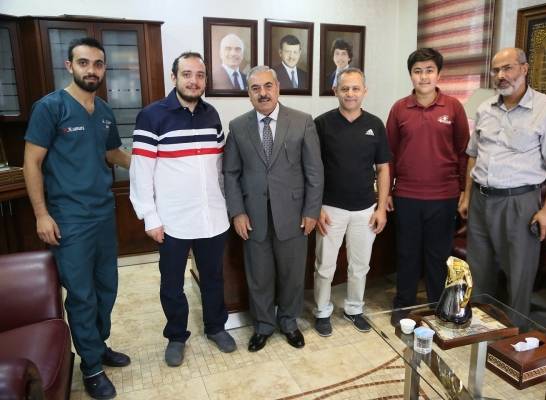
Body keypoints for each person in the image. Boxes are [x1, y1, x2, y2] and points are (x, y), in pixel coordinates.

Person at [23, 37, 131, 400]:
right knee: (82, 295)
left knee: (107, 288)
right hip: (69, 219)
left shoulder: (104, 111)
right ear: (69, 66)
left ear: (104, 69)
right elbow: (32, 163)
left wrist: (152, 163)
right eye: (84, 63)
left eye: (98, 64)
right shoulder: (50, 108)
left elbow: (113, 154)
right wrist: (42, 215)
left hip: (103, 214)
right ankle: (92, 367)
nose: (91, 70)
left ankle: (97, 346)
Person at [129, 52, 236, 366]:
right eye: (187, 74)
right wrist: (150, 217)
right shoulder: (152, 116)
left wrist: (227, 205)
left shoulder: (211, 114)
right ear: (174, 77)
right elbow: (141, 172)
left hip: (212, 216)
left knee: (213, 277)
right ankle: (176, 336)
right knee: (172, 284)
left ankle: (216, 327)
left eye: (200, 75)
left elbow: (219, 167)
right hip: (172, 219)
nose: (194, 81)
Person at [458, 47, 546, 316]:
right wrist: (467, 195)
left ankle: (516, 333)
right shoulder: (485, 108)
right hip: (481, 200)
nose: (501, 75)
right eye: (496, 70)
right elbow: (473, 156)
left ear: (524, 68)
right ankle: (480, 326)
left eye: (507, 68)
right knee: (478, 269)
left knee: (519, 272)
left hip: (519, 203)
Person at [223, 65, 323, 352]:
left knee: (292, 275)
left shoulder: (302, 121)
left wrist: (311, 211)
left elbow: (314, 172)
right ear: (249, 94)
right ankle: (264, 325)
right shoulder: (237, 127)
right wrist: (237, 212)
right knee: (259, 275)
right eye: (256, 88)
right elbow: (231, 173)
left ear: (278, 88)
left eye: (268, 86)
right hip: (253, 217)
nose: (263, 93)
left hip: (293, 215)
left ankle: (289, 322)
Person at [386, 48, 470, 325]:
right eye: (417, 71)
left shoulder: (453, 107)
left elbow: (464, 152)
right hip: (407, 195)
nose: (423, 77)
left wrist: (464, 192)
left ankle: (437, 307)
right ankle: (403, 305)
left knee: (438, 256)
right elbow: (389, 154)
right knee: (407, 254)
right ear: (410, 75)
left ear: (438, 74)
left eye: (429, 71)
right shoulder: (399, 108)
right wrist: (387, 193)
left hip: (444, 197)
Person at [313, 68, 390, 337]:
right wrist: (316, 208)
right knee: (325, 266)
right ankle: (322, 311)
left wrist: (381, 208)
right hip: (329, 208)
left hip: (365, 209)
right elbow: (312, 169)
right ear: (335, 91)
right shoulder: (321, 124)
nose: (350, 93)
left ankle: (354, 309)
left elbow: (383, 168)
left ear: (364, 91)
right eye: (344, 88)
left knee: (360, 266)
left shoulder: (375, 125)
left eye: (356, 88)